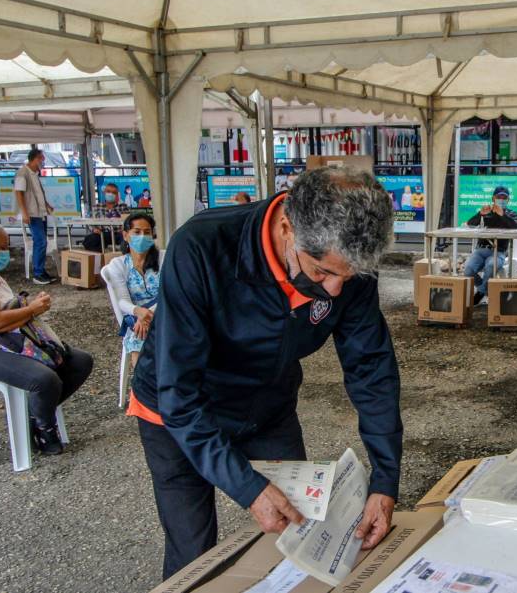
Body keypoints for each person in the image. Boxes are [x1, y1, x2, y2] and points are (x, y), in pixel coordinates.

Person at [129, 166, 402, 579]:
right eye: (322, 273)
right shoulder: (202, 246)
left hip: (266, 405)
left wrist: (385, 479)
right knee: (194, 553)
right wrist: (248, 488)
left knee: (301, 534)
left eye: (347, 277)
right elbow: (179, 393)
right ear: (288, 228)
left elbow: (371, 368)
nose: (334, 291)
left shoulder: (347, 262)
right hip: (177, 411)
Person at [0, 216, 93, 455]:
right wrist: (30, 310)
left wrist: (29, 308)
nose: (6, 253)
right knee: (45, 379)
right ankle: (44, 430)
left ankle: (35, 414)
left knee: (79, 361)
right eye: (2, 247)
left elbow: (9, 313)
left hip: (10, 342)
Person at [106, 213, 160, 368]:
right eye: (137, 232)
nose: (142, 236)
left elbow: (171, 292)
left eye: (147, 232)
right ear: (125, 235)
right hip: (136, 317)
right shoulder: (118, 264)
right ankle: (142, 388)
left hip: (164, 310)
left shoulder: (162, 258)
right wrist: (138, 312)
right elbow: (122, 301)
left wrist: (148, 313)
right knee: (139, 334)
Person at [464, 186, 517, 305]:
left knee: (490, 265)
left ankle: (479, 293)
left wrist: (502, 215)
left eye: (504, 197)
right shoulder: (487, 212)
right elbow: (470, 224)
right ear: (493, 198)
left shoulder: (512, 214)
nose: (501, 199)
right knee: (468, 270)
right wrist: (480, 214)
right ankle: (484, 290)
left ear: (508, 200)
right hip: (480, 250)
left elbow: (516, 228)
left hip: (498, 251)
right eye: (498, 197)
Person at [13, 149, 55, 285]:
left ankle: (41, 271)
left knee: (43, 242)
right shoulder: (23, 173)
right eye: (42, 159)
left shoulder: (34, 174)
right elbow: (19, 193)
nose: (43, 162)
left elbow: (38, 193)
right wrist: (24, 212)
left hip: (41, 212)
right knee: (40, 241)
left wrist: (47, 205)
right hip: (32, 213)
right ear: (35, 159)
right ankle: (37, 273)